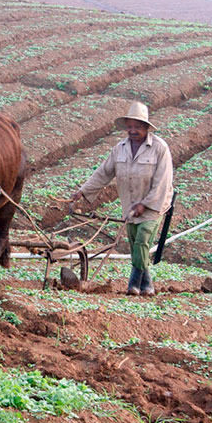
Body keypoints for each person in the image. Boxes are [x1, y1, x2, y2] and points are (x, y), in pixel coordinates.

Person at [70, 102, 173, 296]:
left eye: (138, 126)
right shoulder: (120, 148)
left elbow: (163, 182)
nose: (133, 130)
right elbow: (104, 172)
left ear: (146, 128)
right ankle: (146, 285)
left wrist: (145, 204)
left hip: (155, 205)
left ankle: (134, 284)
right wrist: (82, 192)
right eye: (130, 126)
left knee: (142, 241)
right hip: (129, 205)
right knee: (136, 245)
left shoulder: (159, 148)